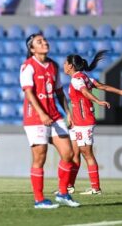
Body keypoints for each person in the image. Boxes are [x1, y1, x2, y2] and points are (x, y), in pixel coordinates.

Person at [20, 33, 80, 209]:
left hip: (54, 115)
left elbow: (59, 92)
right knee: (40, 157)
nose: (44, 42)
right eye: (39, 42)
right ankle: (39, 200)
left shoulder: (53, 65)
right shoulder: (28, 66)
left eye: (45, 40)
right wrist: (42, 114)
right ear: (32, 49)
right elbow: (29, 93)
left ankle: (63, 193)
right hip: (35, 117)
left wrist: (68, 112)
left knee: (68, 154)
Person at [63, 51, 122, 195]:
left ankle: (96, 188)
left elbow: (85, 92)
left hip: (84, 121)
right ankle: (69, 186)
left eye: (65, 63)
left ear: (70, 66)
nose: (63, 65)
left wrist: (98, 101)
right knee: (74, 154)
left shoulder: (77, 79)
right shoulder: (85, 77)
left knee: (87, 154)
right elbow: (101, 86)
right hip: (77, 122)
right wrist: (121, 92)